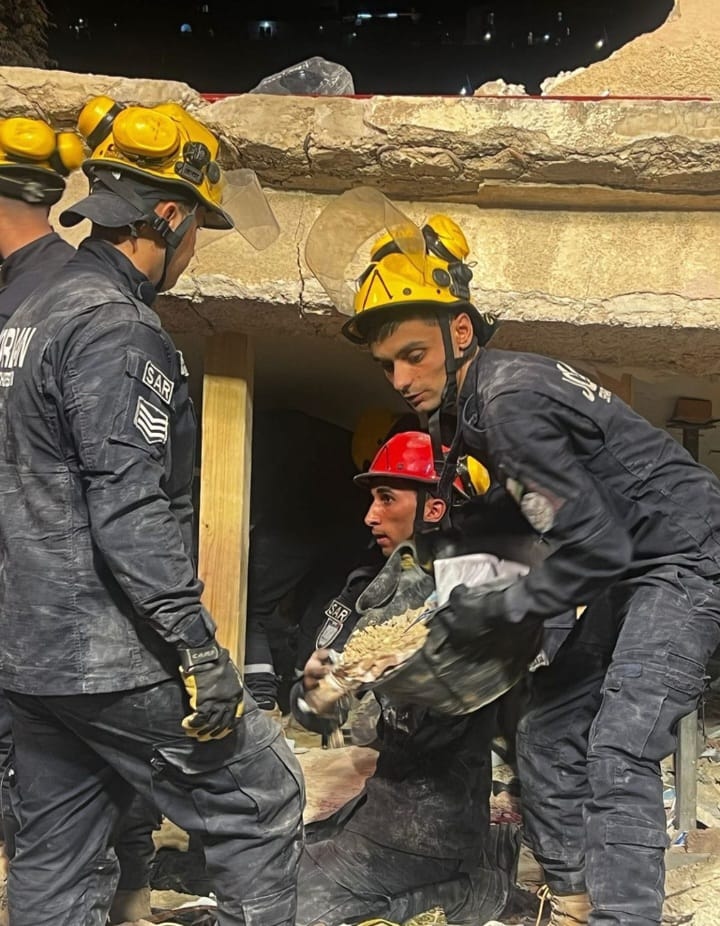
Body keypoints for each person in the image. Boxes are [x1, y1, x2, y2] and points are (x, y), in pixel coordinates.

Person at [306, 197, 720, 926]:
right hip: (631, 562)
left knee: (620, 746)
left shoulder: (508, 399)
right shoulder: (472, 414)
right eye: (387, 364)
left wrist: (489, 608)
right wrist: (364, 653)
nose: (399, 378)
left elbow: (592, 547)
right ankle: (575, 904)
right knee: (549, 729)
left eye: (414, 355)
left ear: (460, 331)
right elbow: (507, 522)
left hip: (684, 555)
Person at [0, 95, 303, 926]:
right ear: (167, 217)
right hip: (106, 651)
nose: (194, 248)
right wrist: (197, 648)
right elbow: (127, 502)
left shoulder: (30, 310)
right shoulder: (115, 325)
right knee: (263, 798)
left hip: (31, 656)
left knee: (56, 852)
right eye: (197, 226)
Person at [292, 430, 511, 926]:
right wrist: (314, 693)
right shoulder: (374, 591)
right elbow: (316, 710)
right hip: (382, 810)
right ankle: (458, 891)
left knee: (284, 906)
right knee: (270, 866)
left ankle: (466, 892)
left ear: (435, 508)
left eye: (387, 498)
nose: (370, 516)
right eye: (372, 499)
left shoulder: (484, 597)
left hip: (430, 829)